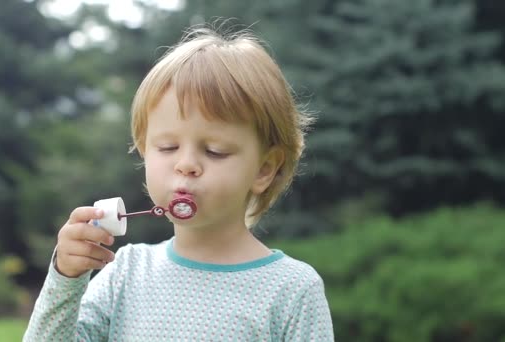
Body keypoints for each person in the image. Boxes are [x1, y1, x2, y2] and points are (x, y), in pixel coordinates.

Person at [24, 26, 334, 341]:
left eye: (215, 151)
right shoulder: (127, 274)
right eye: (168, 147)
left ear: (263, 170)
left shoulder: (291, 291)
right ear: (144, 151)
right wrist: (65, 277)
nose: (185, 164)